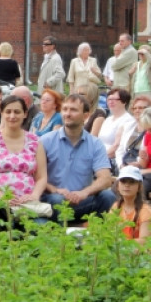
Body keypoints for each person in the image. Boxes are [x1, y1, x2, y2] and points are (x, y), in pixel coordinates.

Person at [39, 93, 117, 221]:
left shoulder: (95, 144)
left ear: (86, 116)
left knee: (107, 196)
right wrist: (56, 190)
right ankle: (59, 237)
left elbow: (105, 179)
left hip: (82, 200)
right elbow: (36, 176)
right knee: (57, 199)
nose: (67, 114)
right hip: (53, 199)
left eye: (73, 110)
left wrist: (84, 192)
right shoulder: (45, 141)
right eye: (65, 109)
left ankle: (97, 235)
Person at [0, 95, 49, 220]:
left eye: (17, 112)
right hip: (0, 203)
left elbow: (41, 177)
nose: (12, 116)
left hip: (29, 205)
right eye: (8, 112)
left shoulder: (35, 141)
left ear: (25, 114)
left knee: (40, 231)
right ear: (2, 113)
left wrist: (34, 195)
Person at [111, 166, 151, 243]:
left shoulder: (145, 210)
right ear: (117, 186)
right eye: (123, 181)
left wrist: (121, 244)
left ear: (139, 187)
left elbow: (144, 242)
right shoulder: (115, 207)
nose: (127, 185)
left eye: (132, 181)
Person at [115, 94, 151, 170]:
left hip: (143, 167)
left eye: (141, 108)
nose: (137, 110)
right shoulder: (128, 126)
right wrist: (121, 165)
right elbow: (120, 150)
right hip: (124, 165)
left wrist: (136, 165)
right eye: (135, 108)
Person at [98, 88, 133, 166]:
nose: (110, 102)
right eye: (109, 99)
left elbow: (117, 146)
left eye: (114, 99)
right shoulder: (108, 119)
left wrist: (98, 157)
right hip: (99, 155)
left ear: (124, 102)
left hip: (111, 159)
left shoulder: (128, 120)